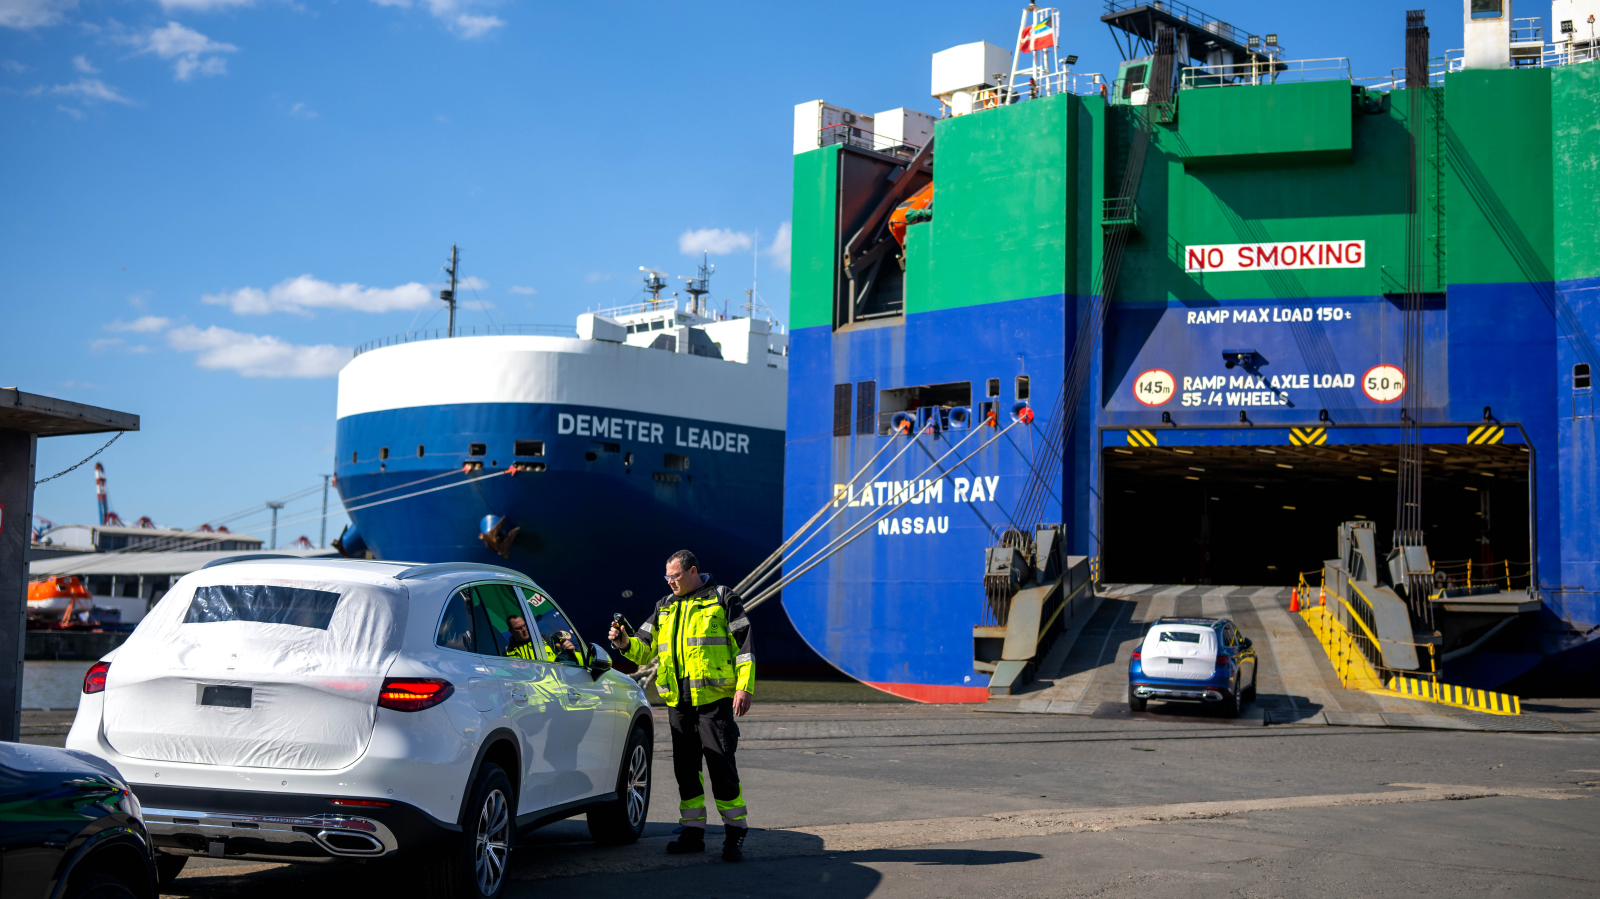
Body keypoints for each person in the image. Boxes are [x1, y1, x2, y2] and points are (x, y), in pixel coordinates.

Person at [610, 550, 754, 861]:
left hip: (714, 702)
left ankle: (735, 833)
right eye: (667, 578)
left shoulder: (723, 599)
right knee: (686, 771)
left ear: (692, 571)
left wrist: (744, 687)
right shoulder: (664, 606)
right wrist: (624, 643)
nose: (670, 582)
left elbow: (744, 647)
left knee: (721, 768)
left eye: (675, 577)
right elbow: (644, 650)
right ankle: (693, 832)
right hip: (678, 702)